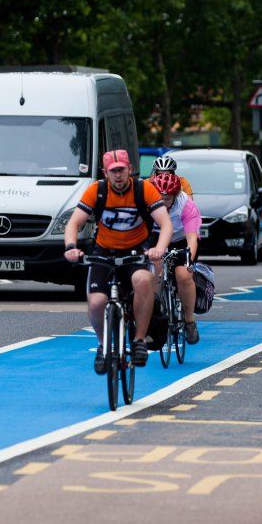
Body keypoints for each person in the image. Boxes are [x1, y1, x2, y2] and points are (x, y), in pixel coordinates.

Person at [64, 149, 173, 372]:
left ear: (129, 169)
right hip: (104, 252)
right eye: (113, 172)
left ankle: (140, 340)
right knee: (96, 302)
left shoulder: (144, 189)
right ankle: (104, 346)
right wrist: (71, 247)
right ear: (106, 173)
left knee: (144, 280)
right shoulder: (97, 190)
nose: (118, 176)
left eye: (122, 170)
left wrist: (158, 249)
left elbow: (166, 224)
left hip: (136, 251)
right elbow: (74, 223)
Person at [148, 170, 201, 344]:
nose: (163, 202)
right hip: (156, 238)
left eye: (168, 199)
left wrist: (189, 261)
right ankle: (153, 312)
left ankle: (190, 320)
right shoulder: (147, 200)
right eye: (160, 198)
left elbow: (192, 238)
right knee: (154, 266)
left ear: (176, 195)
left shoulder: (186, 204)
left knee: (183, 275)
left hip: (180, 240)